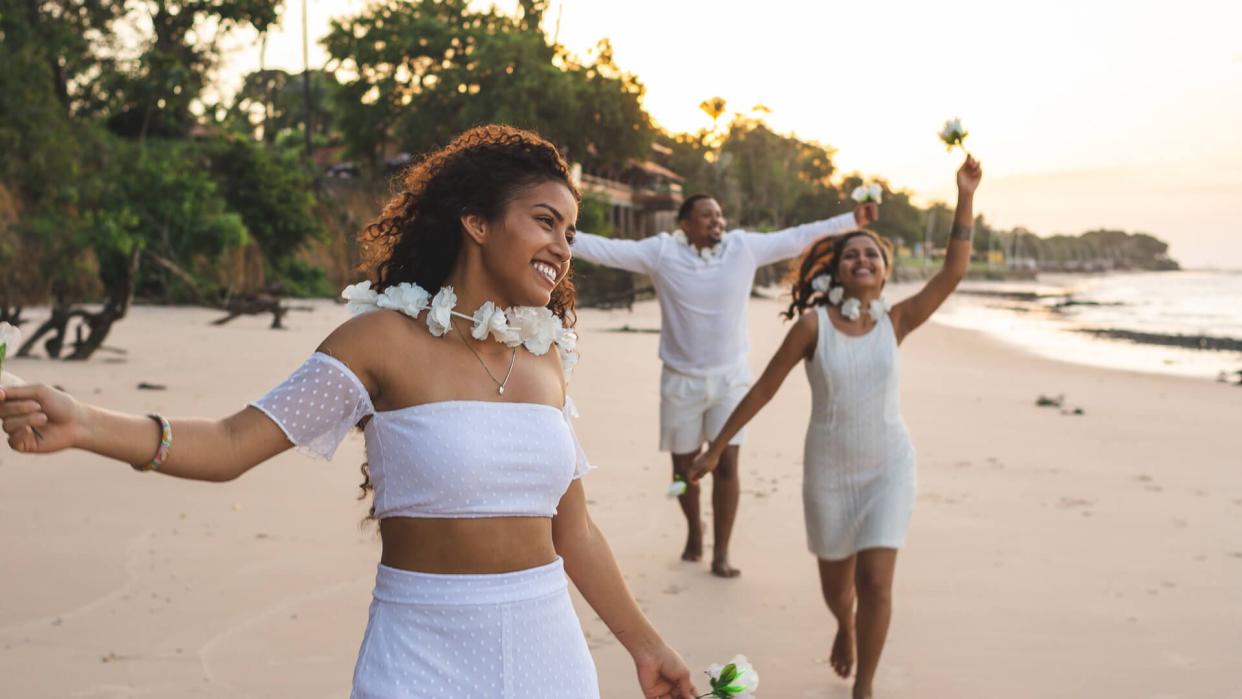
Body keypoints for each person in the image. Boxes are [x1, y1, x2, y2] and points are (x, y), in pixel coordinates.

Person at [0, 125, 699, 699]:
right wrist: (86, 423)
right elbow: (231, 441)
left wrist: (647, 646)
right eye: (546, 222)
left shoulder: (545, 357)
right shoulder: (380, 342)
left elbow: (573, 529)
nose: (562, 248)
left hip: (552, 656)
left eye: (571, 234)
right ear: (477, 221)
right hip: (421, 659)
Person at [690, 157, 983, 698]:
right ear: (835, 269)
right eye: (853, 253)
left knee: (875, 583)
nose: (863, 258)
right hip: (828, 471)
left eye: (872, 253)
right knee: (836, 585)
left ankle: (864, 685)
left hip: (888, 466)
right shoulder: (812, 326)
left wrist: (964, 195)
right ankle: (844, 625)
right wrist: (718, 445)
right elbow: (763, 389)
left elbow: (953, 273)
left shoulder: (897, 321)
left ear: (885, 270)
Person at [572, 195, 879, 577]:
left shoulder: (743, 247)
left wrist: (852, 219)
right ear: (685, 224)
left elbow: (798, 236)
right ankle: (693, 533)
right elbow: (607, 250)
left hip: (731, 379)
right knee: (684, 470)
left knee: (727, 464)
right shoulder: (662, 253)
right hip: (680, 380)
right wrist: (558, 233)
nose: (717, 221)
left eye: (719, 215)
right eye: (706, 216)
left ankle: (722, 552)